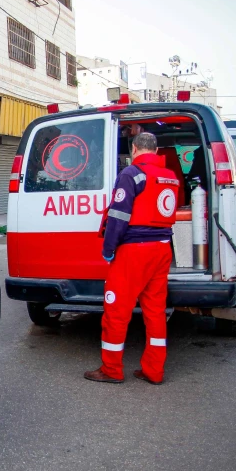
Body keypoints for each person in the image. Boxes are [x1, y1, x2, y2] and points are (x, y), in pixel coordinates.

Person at [85, 131, 178, 385]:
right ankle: (153, 371)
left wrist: (108, 248)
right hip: (162, 249)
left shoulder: (131, 174)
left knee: (116, 311)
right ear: (156, 151)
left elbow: (118, 215)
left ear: (135, 149)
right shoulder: (170, 176)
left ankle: (112, 369)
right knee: (156, 312)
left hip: (135, 250)